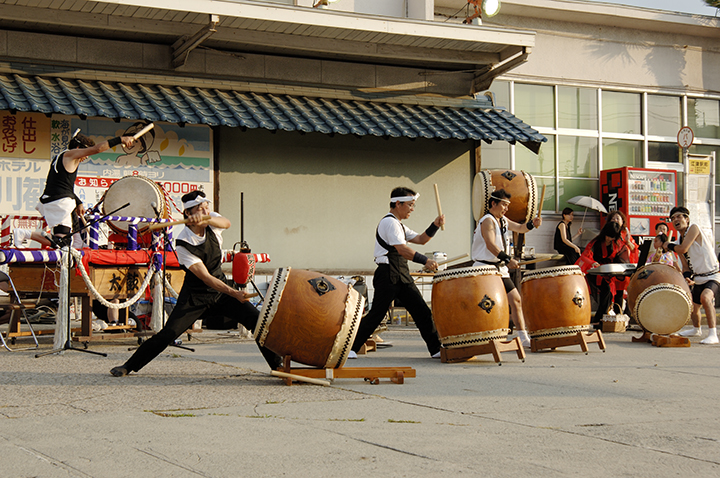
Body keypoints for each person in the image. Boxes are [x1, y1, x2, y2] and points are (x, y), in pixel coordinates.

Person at [110, 190, 282, 376]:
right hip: (195, 296)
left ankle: (278, 367)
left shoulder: (212, 221)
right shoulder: (183, 242)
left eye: (206, 207)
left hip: (221, 292)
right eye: (200, 208)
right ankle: (128, 366)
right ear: (188, 213)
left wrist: (206, 218)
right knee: (169, 333)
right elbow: (206, 277)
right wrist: (235, 293)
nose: (205, 211)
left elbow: (226, 223)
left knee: (257, 321)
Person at [349, 187, 445, 359]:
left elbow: (421, 239)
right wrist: (425, 261)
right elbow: (402, 250)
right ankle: (349, 348)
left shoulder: (398, 224)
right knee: (377, 315)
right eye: (410, 205)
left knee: (422, 311)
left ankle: (436, 350)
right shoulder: (389, 223)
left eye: (413, 205)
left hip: (401, 274)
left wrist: (435, 225)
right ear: (398, 204)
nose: (412, 209)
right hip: (388, 274)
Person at [35, 130, 135, 248]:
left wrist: (78, 202)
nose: (86, 156)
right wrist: (121, 139)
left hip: (57, 200)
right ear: (78, 148)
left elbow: (63, 185)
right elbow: (97, 149)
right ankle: (24, 234)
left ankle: (78, 242)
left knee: (71, 222)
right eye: (86, 152)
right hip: (58, 202)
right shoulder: (70, 155)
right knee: (62, 242)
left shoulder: (63, 157)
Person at [471, 189, 542, 347]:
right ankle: (481, 336)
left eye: (507, 205)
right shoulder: (487, 221)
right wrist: (508, 259)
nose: (506, 208)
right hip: (485, 269)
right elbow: (490, 245)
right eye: (503, 204)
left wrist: (532, 224)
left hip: (500, 269)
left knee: (515, 299)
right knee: (487, 304)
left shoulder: (502, 220)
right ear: (493, 203)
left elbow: (520, 228)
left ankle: (523, 337)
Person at [663, 206, 719, 344]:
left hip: (712, 275)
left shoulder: (694, 228)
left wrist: (668, 245)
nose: (676, 220)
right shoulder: (678, 241)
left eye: (679, 216)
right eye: (673, 218)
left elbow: (683, 249)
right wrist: (687, 276)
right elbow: (685, 265)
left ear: (686, 219)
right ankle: (696, 329)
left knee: (706, 298)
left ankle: (713, 334)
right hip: (698, 277)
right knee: (693, 306)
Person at [577, 220, 629, 327]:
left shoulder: (616, 243)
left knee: (608, 294)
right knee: (606, 292)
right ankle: (599, 319)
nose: (610, 239)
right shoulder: (596, 243)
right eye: (609, 236)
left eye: (612, 237)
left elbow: (618, 255)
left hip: (607, 272)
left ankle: (600, 319)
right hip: (595, 272)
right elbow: (585, 256)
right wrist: (593, 263)